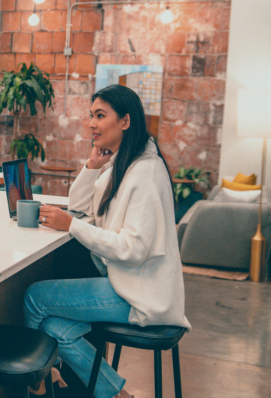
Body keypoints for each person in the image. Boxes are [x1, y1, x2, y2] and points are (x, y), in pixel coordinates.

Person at [23, 85, 191, 398]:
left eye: (101, 116)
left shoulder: (145, 173)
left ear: (125, 121)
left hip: (140, 294)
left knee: (35, 298)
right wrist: (92, 166)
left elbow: (132, 249)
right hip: (127, 284)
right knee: (52, 328)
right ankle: (115, 394)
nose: (91, 124)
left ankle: (38, 383)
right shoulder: (124, 162)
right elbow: (79, 204)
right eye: (91, 116)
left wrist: (72, 226)